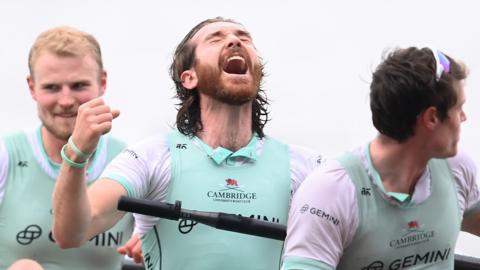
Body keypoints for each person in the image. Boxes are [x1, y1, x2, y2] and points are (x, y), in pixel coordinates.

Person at [52, 17, 321, 270]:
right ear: (189, 77)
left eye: (243, 37)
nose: (234, 41)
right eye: (215, 39)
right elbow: (71, 232)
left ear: (257, 72)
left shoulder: (308, 167)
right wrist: (76, 153)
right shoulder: (151, 157)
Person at [282, 47, 479, 269]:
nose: (464, 117)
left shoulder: (457, 168)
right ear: (431, 118)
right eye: (459, 107)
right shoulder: (330, 191)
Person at [0, 26, 136, 270]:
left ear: (102, 82)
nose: (66, 101)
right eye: (52, 88)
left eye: (78, 86)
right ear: (32, 87)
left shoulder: (130, 162)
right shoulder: (5, 156)